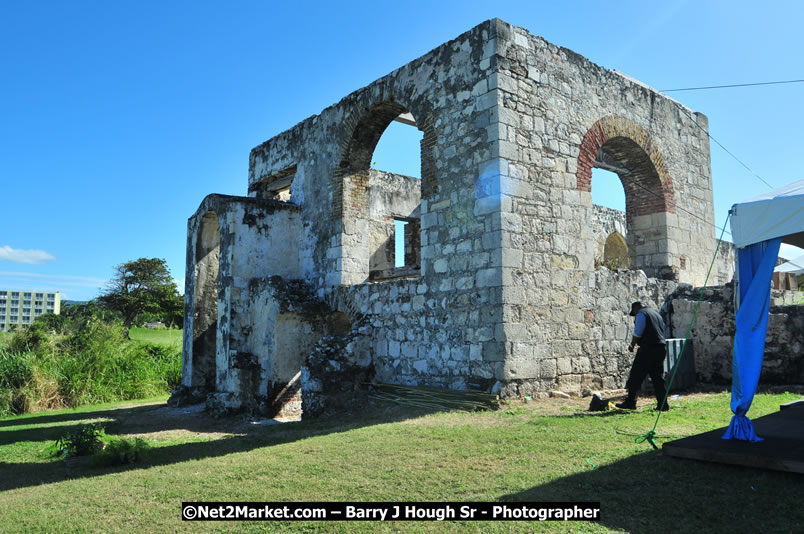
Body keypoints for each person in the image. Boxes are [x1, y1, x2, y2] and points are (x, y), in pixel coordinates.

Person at [615, 301, 669, 411]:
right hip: (661, 347)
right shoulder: (656, 314)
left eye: (633, 313)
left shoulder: (641, 313)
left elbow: (638, 332)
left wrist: (632, 345)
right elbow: (663, 329)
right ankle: (663, 405)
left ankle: (630, 402)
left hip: (648, 349)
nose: (634, 316)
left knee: (635, 375)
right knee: (658, 378)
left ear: (635, 309)